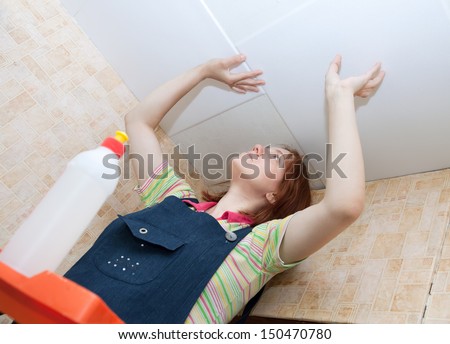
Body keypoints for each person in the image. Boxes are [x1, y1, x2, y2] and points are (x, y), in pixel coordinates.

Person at [64, 54, 385, 324]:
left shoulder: (263, 246)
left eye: (274, 157)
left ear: (277, 195)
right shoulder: (171, 199)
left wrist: (339, 97)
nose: (259, 147)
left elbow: (343, 206)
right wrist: (203, 71)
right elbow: (138, 121)